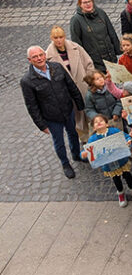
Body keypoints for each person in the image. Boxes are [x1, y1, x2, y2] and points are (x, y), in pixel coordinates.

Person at [21, 46, 86, 179]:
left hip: (68, 110)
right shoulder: (27, 81)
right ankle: (65, 164)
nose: (39, 58)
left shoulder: (57, 67)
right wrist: (42, 125)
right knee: (59, 142)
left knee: (73, 133)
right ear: (29, 60)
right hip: (51, 117)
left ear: (45, 55)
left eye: (41, 55)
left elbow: (71, 85)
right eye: (35, 57)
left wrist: (80, 104)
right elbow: (31, 106)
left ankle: (76, 154)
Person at [45, 25, 94, 141]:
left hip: (83, 86)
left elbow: (89, 64)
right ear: (51, 38)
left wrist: (90, 81)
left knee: (89, 111)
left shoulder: (76, 47)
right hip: (67, 92)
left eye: (61, 37)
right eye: (55, 38)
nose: (58, 40)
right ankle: (83, 138)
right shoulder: (48, 56)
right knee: (77, 117)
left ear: (64, 36)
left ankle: (94, 135)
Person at [82, 114, 132, 206]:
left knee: (128, 176)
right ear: (93, 128)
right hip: (108, 165)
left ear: (107, 124)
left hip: (122, 160)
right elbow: (87, 151)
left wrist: (128, 139)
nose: (99, 123)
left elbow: (125, 136)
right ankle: (121, 193)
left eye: (101, 121)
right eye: (96, 122)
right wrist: (84, 154)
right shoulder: (92, 139)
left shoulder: (114, 131)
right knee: (116, 179)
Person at [70, 0, 121, 71]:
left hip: (109, 56)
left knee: (113, 81)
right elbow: (76, 42)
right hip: (94, 61)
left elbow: (111, 31)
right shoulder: (76, 20)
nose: (88, 4)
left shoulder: (101, 13)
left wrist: (117, 49)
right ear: (80, 5)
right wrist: (83, 60)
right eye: (84, 2)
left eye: (89, 1)